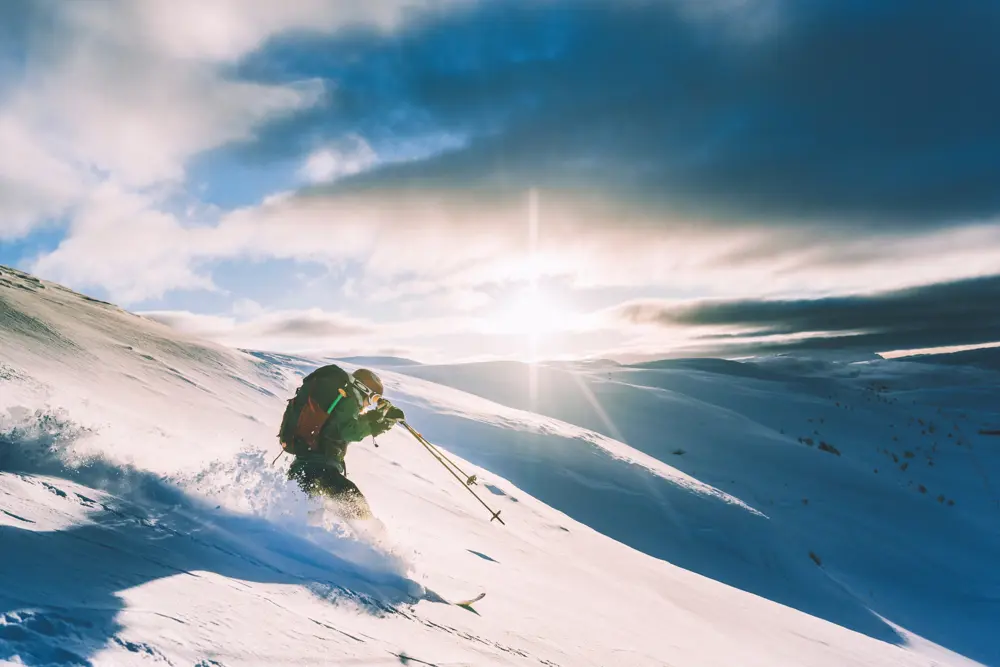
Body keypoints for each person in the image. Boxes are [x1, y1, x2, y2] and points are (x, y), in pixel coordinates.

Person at [277, 365, 405, 519]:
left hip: (301, 469)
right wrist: (381, 422)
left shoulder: (339, 399)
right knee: (359, 511)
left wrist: (379, 418)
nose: (367, 405)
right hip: (321, 472)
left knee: (307, 520)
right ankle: (376, 542)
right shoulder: (349, 398)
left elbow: (337, 426)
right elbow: (349, 431)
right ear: (365, 390)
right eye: (372, 399)